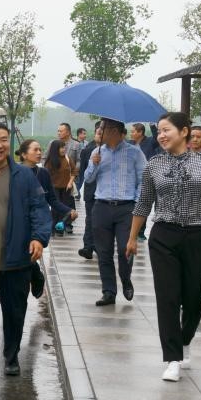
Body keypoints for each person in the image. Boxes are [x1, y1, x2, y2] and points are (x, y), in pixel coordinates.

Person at [127, 112, 201, 382]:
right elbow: (143, 203)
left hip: (196, 235)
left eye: (166, 130)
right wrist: (132, 238)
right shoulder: (154, 165)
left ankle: (185, 340)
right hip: (163, 235)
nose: (161, 135)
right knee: (168, 297)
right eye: (159, 131)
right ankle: (172, 357)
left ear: (184, 132)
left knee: (194, 298)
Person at [0, 122, 50, 376]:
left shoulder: (24, 175)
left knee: (15, 311)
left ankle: (11, 355)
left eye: (3, 139)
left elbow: (38, 208)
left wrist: (39, 237)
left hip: (16, 256)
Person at [82, 119, 146, 306]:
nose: (100, 131)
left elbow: (143, 179)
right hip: (101, 206)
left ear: (116, 131)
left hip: (126, 208)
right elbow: (88, 178)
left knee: (125, 249)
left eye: (104, 129)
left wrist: (136, 202)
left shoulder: (134, 152)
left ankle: (125, 279)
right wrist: (94, 164)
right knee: (103, 251)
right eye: (100, 128)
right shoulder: (97, 151)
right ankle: (109, 291)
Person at [17, 138, 74, 297]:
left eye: (40, 149)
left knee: (28, 252)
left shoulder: (43, 173)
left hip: (36, 221)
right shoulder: (15, 172)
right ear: (23, 154)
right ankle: (35, 273)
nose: (39, 153)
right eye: (35, 150)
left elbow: (52, 199)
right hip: (18, 220)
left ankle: (34, 275)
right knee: (22, 254)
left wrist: (68, 210)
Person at [77, 123, 103, 258]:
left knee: (97, 221)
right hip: (91, 191)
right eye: (99, 133)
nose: (100, 135)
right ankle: (89, 246)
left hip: (104, 194)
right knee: (91, 220)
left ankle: (93, 246)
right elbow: (83, 173)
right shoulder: (89, 149)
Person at [45, 139, 76, 233]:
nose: (63, 149)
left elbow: (74, 171)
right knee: (56, 209)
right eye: (61, 148)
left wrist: (70, 182)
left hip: (67, 188)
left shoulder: (67, 158)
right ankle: (54, 227)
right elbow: (46, 176)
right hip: (54, 188)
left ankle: (64, 225)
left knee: (67, 207)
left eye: (64, 147)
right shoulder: (50, 161)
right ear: (55, 149)